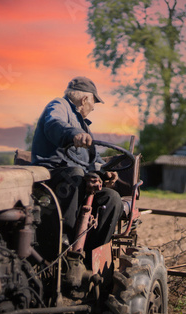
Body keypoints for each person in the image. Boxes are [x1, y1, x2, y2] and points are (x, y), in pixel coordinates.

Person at [31, 76, 123, 254]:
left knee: (111, 199)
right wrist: (72, 134)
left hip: (77, 182)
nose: (94, 107)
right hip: (52, 176)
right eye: (94, 102)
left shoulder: (85, 127)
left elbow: (93, 159)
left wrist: (105, 171)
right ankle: (61, 241)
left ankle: (90, 254)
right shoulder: (59, 106)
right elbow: (54, 124)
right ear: (85, 99)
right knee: (75, 174)